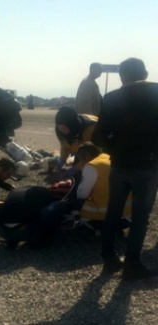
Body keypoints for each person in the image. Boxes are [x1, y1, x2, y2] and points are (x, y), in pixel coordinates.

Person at [92, 58, 158, 280]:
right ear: (146, 73)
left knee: (113, 211)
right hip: (148, 166)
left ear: (122, 76)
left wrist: (115, 150)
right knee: (140, 216)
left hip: (119, 165)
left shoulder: (112, 98)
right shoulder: (156, 93)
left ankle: (109, 259)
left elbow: (97, 137)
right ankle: (132, 263)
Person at [54, 106, 98, 171]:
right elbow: (65, 147)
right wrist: (61, 161)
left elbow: (90, 152)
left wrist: (74, 169)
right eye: (59, 128)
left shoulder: (89, 129)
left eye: (64, 128)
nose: (62, 131)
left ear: (72, 126)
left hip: (101, 137)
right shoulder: (60, 130)